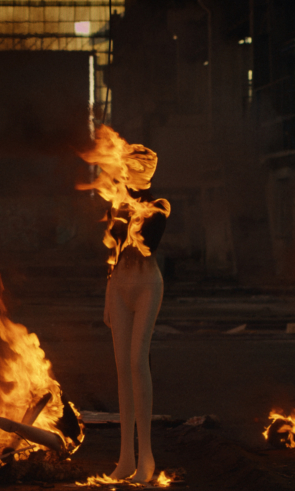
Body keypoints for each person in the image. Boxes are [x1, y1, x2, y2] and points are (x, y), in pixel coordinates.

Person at [105, 188, 166, 484]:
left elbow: (150, 240)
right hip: (119, 284)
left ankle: (146, 457)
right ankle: (126, 456)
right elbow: (111, 253)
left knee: (137, 362)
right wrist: (108, 297)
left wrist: (137, 214)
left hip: (147, 285)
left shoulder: (157, 210)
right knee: (122, 367)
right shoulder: (116, 206)